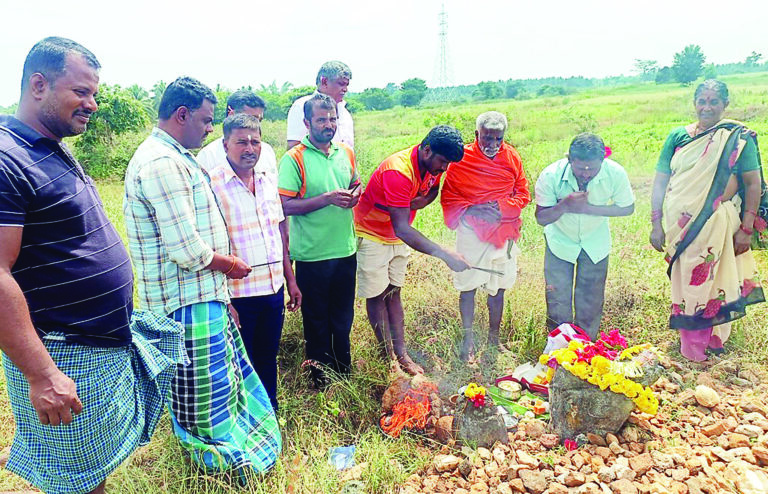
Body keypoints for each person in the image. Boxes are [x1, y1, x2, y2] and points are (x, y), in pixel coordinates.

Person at [0, 37, 184, 494]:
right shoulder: (7, 158)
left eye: (95, 93)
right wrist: (43, 375)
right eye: (81, 92)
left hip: (94, 343)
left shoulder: (48, 145)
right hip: (61, 351)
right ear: (38, 85)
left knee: (89, 475)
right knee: (75, 484)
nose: (93, 104)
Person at [124, 77, 281, 475]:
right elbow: (187, 250)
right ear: (182, 115)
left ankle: (229, 456)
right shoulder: (162, 162)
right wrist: (231, 266)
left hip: (200, 297)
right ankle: (221, 467)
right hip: (184, 303)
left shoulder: (176, 156)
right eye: (207, 121)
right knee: (202, 397)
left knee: (216, 389)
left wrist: (222, 292)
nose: (210, 129)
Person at [650, 79, 765, 362]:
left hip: (717, 222)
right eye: (702, 101)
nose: (707, 107)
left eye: (714, 102)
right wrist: (656, 222)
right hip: (680, 224)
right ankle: (691, 341)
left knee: (716, 277)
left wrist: (746, 228)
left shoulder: (737, 137)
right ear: (694, 103)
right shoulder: (678, 137)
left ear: (725, 105)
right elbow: (660, 181)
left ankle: (712, 338)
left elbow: (753, 183)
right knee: (687, 278)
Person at [354, 125, 471, 374]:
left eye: (449, 164)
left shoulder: (433, 164)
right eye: (443, 162)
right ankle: (389, 361)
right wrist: (445, 254)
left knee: (394, 292)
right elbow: (402, 228)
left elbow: (434, 190)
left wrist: (420, 201)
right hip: (372, 232)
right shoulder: (398, 172)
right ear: (426, 150)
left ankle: (402, 354)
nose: (444, 169)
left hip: (398, 233)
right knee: (377, 295)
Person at [208, 113, 301, 410]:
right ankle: (242, 419)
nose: (250, 148)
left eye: (255, 141)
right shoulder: (213, 186)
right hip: (238, 296)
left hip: (272, 289)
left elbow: (278, 233)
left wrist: (291, 280)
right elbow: (212, 246)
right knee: (239, 362)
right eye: (241, 142)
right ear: (225, 145)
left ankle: (268, 413)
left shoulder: (268, 180)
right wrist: (225, 301)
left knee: (267, 355)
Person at [278, 93, 360, 388]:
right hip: (313, 255)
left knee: (343, 316)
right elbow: (284, 205)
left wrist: (354, 194)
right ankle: (321, 379)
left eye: (333, 119)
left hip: (345, 250)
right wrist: (326, 199)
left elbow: (354, 182)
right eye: (322, 119)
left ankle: (344, 372)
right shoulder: (294, 158)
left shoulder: (344, 152)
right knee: (316, 319)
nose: (328, 125)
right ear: (307, 123)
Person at [441, 112, 531, 360]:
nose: (492, 145)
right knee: (468, 286)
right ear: (476, 135)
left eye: (498, 139)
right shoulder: (461, 159)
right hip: (471, 231)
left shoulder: (512, 156)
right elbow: (449, 197)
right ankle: (468, 340)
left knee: (499, 287)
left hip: (503, 231)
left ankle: (494, 341)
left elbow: (523, 194)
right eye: (487, 138)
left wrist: (501, 208)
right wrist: (474, 209)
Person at [535, 133, 634, 340]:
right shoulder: (551, 175)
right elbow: (542, 218)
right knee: (557, 301)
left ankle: (585, 350)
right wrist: (566, 205)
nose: (586, 174)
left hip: (594, 243)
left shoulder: (615, 173)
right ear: (569, 159)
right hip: (560, 243)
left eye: (592, 168)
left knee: (590, 301)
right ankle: (558, 351)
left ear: (602, 161)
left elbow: (627, 208)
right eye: (580, 168)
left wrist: (588, 209)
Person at [197, 89, 276, 173]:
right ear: (231, 115)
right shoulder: (208, 156)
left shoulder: (267, 152)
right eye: (250, 119)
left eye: (259, 120)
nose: (256, 125)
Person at [286, 61, 354, 150]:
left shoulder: (345, 113)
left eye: (346, 85)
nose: (345, 89)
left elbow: (350, 152)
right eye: (341, 84)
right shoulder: (301, 106)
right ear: (324, 81)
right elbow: (294, 150)